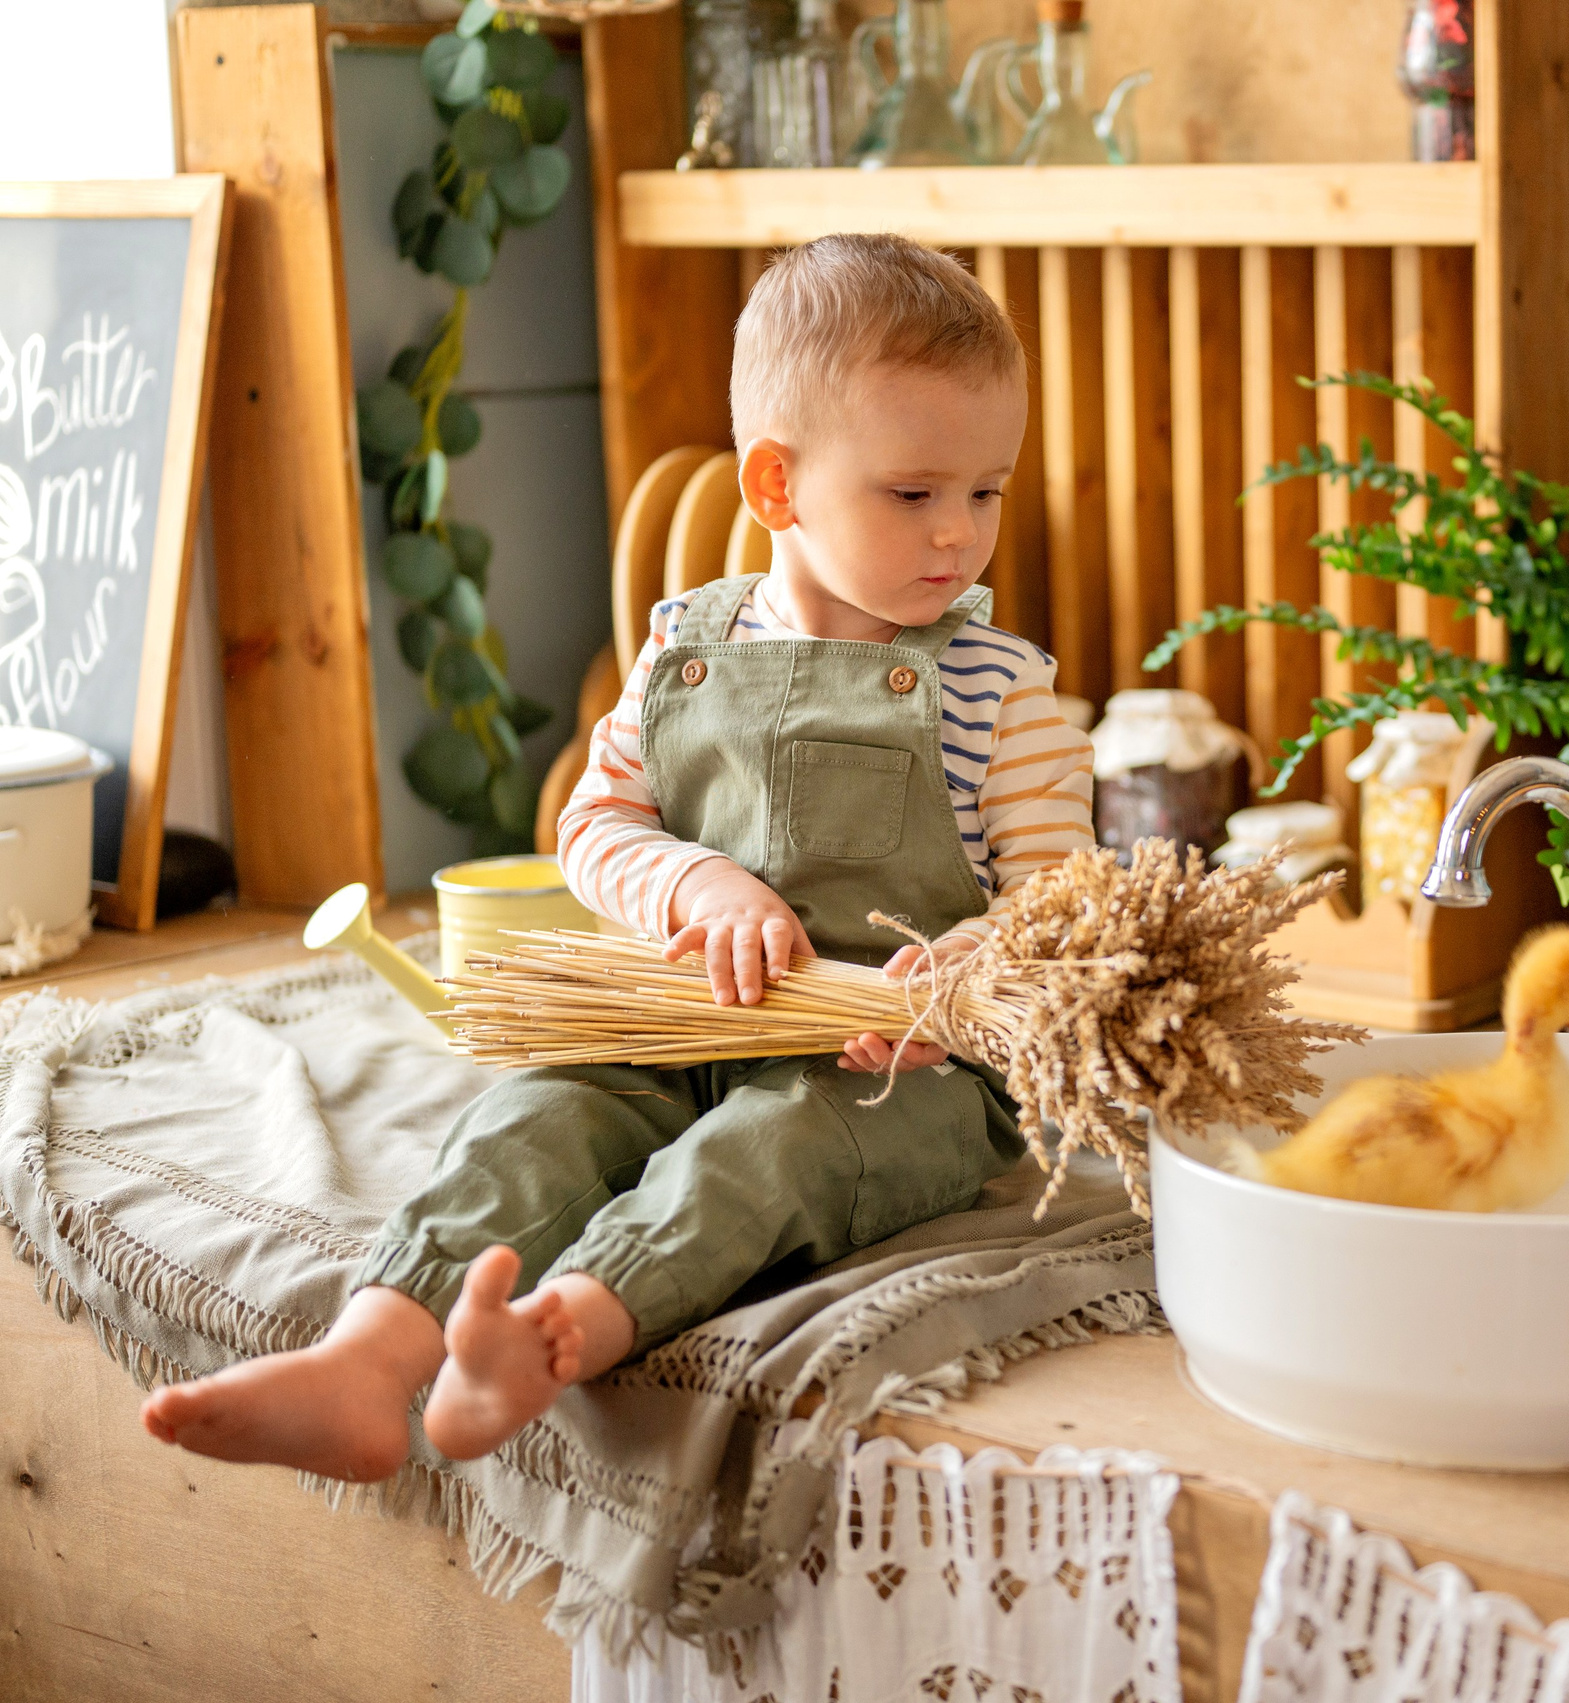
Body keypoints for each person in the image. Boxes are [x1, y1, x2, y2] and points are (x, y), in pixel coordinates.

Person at [141, 234, 1094, 1482]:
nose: (958, 534)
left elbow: (1060, 901)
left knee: (764, 1160)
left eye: (988, 490)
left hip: (884, 1069)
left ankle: (555, 1333)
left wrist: (961, 983)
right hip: (676, 1019)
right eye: (914, 494)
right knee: (532, 1119)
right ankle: (367, 1360)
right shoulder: (682, 652)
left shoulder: (998, 693)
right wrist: (699, 880)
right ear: (775, 486)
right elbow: (593, 828)